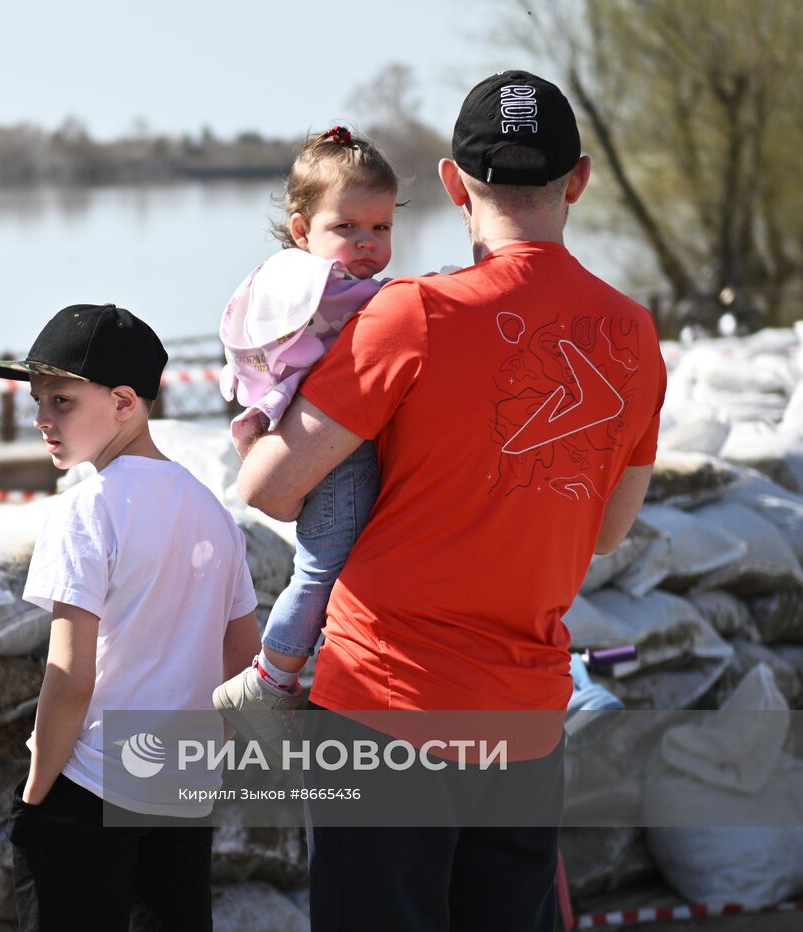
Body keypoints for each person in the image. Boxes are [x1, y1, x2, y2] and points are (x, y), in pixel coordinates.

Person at [236, 71, 667, 931]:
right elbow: (611, 529)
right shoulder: (633, 333)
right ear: (577, 179)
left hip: (385, 707)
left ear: (450, 182)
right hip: (524, 720)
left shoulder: (413, 313)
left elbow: (270, 490)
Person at [0, 304, 260, 931]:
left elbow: (71, 675)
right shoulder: (212, 511)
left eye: (62, 401)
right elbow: (243, 660)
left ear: (125, 401)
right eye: (38, 401)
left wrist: (36, 790)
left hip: (90, 785)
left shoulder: (86, 511)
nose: (42, 419)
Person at [212, 124, 397, 744]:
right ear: (302, 230)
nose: (367, 244)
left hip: (320, 441)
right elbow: (388, 307)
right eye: (348, 228)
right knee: (320, 569)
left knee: (327, 565)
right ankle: (270, 679)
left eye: (382, 228)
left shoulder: (281, 279)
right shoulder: (325, 287)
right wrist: (440, 288)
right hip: (333, 453)